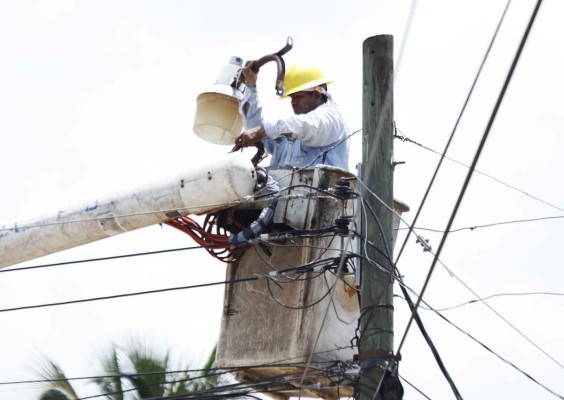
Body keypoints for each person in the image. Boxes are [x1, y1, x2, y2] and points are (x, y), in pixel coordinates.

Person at [234, 61, 350, 170]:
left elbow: (307, 125)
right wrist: (251, 85)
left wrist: (262, 131)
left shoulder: (333, 118)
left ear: (316, 95)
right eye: (291, 97)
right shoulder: (289, 130)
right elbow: (257, 131)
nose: (293, 102)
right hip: (282, 191)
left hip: (322, 191)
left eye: (298, 96)